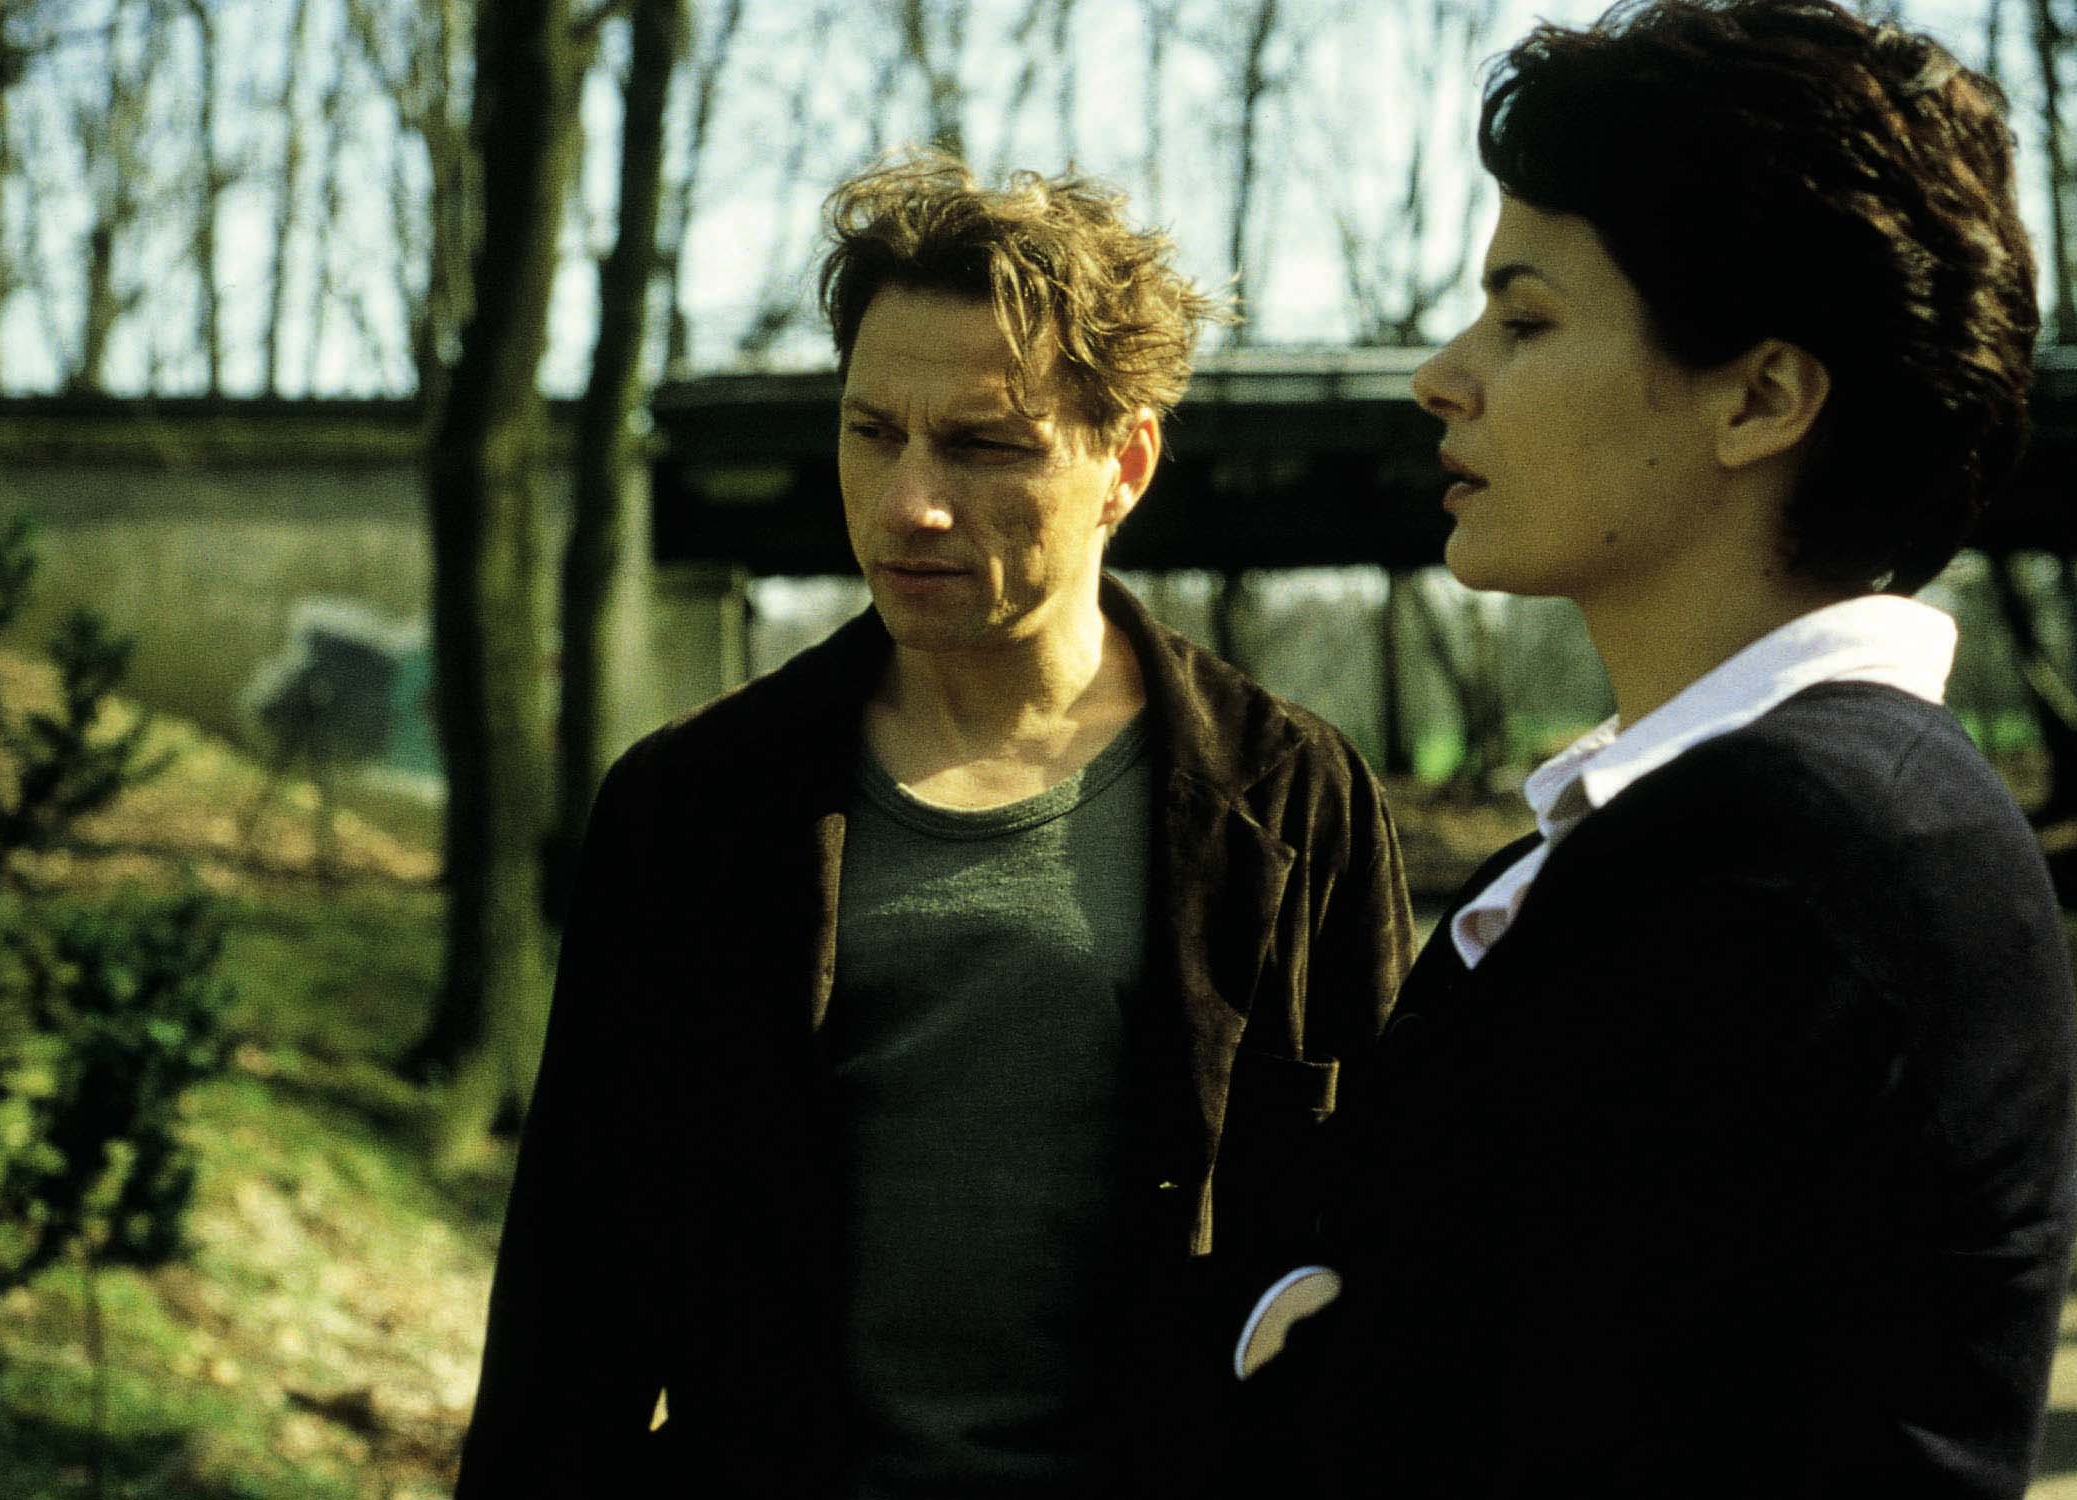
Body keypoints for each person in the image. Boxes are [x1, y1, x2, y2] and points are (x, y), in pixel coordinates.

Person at [453, 151, 1413, 1499]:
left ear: (1125, 464)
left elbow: (1392, 1273)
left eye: (984, 443)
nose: (912, 502)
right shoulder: (692, 808)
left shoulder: (1294, 801)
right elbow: (574, 1308)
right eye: (872, 432)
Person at [1254, 1, 2077, 1494]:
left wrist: (1307, 1346)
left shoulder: (1803, 858)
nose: (1442, 374)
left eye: (1524, 320)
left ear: (1759, 397)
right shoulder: (1703, 828)